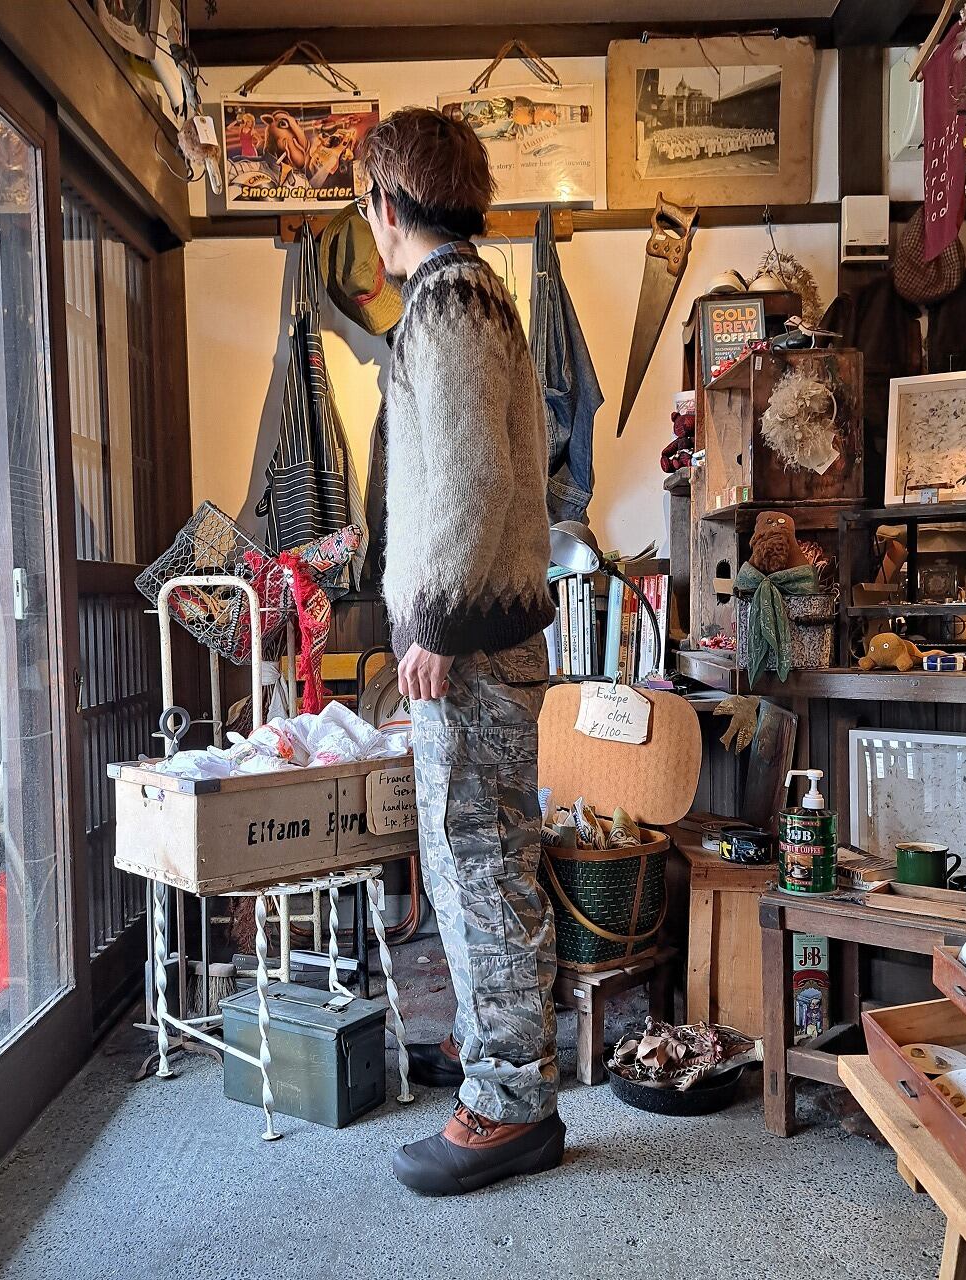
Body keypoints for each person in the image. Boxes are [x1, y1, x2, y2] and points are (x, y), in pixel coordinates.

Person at [355, 106, 562, 1196]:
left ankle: (508, 1105)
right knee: (488, 862)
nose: (370, 227)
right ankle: (502, 1068)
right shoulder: (477, 296)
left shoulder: (445, 302)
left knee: (477, 864)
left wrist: (431, 625)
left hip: (469, 644)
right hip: (488, 637)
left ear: (388, 203)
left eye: (367, 207)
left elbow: (475, 478)